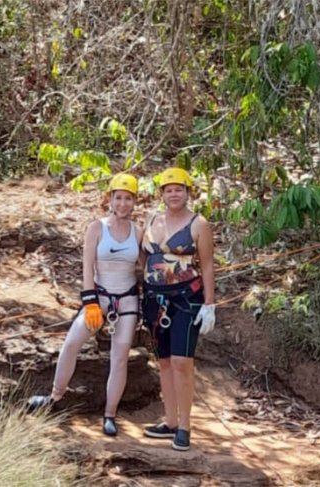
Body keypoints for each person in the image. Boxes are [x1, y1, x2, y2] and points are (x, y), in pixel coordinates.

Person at [27, 173, 143, 437]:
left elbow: (146, 267)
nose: (123, 204)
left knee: (120, 357)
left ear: (134, 201)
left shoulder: (138, 232)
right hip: (99, 298)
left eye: (128, 198)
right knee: (71, 343)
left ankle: (110, 414)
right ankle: (54, 397)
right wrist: (89, 301)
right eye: (118, 198)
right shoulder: (97, 228)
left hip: (127, 301)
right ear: (110, 199)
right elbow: (87, 267)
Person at [141, 167, 216, 451]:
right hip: (154, 299)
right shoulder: (151, 220)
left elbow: (207, 264)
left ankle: (185, 426)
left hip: (186, 299)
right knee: (164, 362)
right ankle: (169, 420)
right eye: (168, 190)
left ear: (187, 192)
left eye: (179, 189)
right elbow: (142, 257)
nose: (174, 194)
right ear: (161, 194)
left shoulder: (199, 224)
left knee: (182, 362)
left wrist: (210, 303)